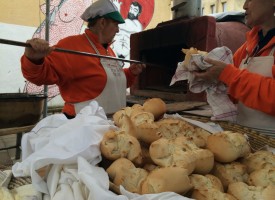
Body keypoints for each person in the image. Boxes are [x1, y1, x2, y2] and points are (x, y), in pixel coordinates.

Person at [21, 0, 146, 119]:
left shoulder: (109, 51)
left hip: (108, 123)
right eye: (115, 24)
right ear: (102, 22)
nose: (118, 30)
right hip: (80, 123)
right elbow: (40, 76)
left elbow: (112, 83)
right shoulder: (70, 45)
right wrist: (33, 59)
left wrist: (130, 73)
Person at [193, 0, 275, 135]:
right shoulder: (247, 47)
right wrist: (215, 79)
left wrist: (228, 74)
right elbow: (235, 94)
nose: (244, 6)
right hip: (246, 139)